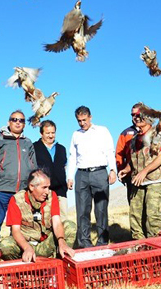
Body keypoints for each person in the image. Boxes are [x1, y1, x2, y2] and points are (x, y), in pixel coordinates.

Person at [0, 169, 76, 262]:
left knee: (69, 226)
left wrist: (61, 241)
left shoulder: (52, 196)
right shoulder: (16, 200)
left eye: (48, 187)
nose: (47, 191)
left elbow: (57, 222)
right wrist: (27, 248)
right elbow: (15, 231)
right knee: (5, 246)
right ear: (31, 186)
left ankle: (59, 265)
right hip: (25, 246)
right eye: (44, 187)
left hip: (45, 244)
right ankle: (24, 271)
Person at [67, 106, 117, 247]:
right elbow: (72, 156)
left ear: (90, 117)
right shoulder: (76, 135)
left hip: (100, 173)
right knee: (82, 210)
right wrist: (70, 176)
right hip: (81, 174)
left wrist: (113, 170)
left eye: (84, 120)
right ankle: (84, 244)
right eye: (79, 121)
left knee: (101, 209)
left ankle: (102, 243)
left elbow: (109, 151)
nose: (82, 123)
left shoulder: (102, 131)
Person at [0, 110, 37, 251]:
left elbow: (34, 167)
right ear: (9, 122)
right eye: (14, 119)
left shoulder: (27, 143)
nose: (17, 122)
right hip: (2, 190)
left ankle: (14, 255)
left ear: (24, 124)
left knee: (19, 226)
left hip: (22, 192)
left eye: (21, 120)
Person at [117, 112, 161, 239]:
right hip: (137, 180)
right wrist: (126, 170)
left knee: (152, 214)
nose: (137, 118)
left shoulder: (156, 134)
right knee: (135, 214)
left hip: (154, 179)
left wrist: (144, 171)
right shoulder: (134, 139)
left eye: (140, 115)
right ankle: (139, 245)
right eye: (134, 115)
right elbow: (134, 160)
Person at [33, 120, 69, 221]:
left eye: (53, 133)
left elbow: (64, 167)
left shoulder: (62, 149)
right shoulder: (34, 147)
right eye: (47, 133)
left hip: (60, 191)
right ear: (41, 133)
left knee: (63, 221)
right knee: (44, 220)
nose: (50, 136)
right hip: (43, 191)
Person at [116, 103, 142, 204]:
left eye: (138, 114)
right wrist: (121, 172)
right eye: (132, 115)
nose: (135, 117)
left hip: (149, 175)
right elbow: (119, 154)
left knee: (150, 209)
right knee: (134, 207)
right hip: (132, 176)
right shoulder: (125, 133)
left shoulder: (152, 131)